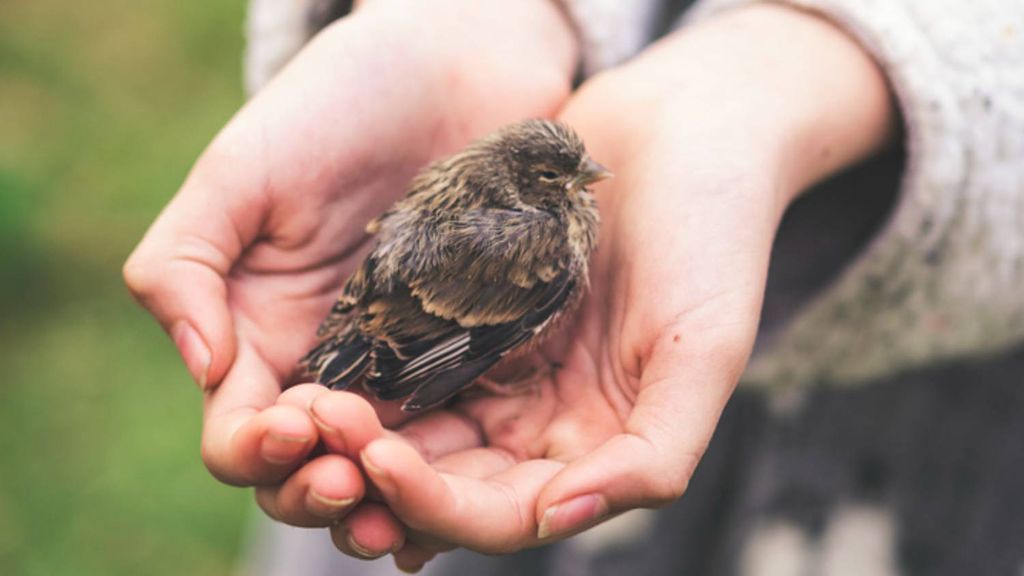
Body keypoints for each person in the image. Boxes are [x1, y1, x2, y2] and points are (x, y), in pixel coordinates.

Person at [124, 0, 1024, 574]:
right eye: (565, 176)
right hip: (412, 332)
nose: (590, 178)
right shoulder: (537, 248)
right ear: (530, 178)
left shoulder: (495, 196)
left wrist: (772, 86)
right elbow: (466, 332)